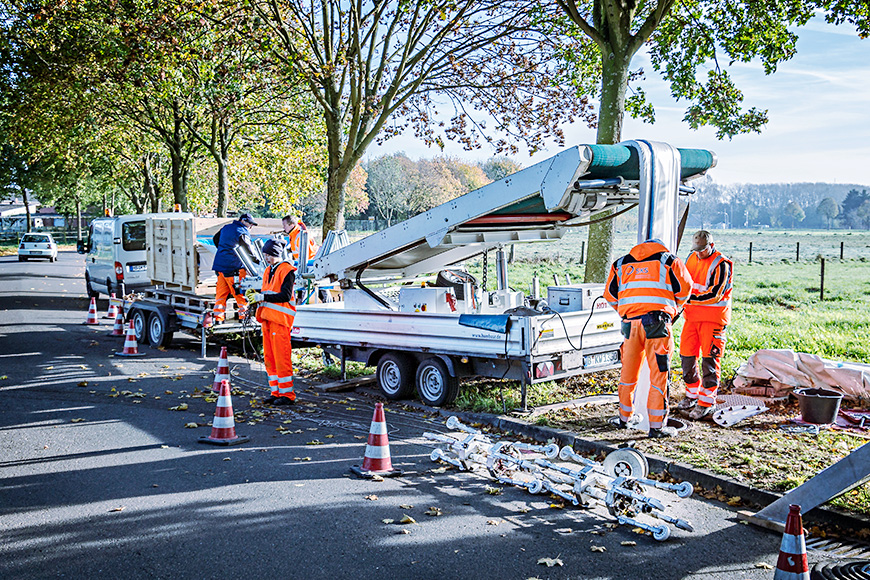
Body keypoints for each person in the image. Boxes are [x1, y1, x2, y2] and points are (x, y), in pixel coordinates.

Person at [604, 238, 693, 438]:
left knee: (628, 374)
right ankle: (657, 427)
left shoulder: (620, 264)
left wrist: (627, 312)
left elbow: (610, 296)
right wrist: (671, 310)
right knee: (659, 376)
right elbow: (686, 290)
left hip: (629, 325)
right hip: (658, 325)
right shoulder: (669, 261)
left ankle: (624, 419)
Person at [675, 230, 734, 421]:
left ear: (711, 245)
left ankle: (707, 402)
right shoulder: (691, 257)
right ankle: (692, 395)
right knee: (687, 357)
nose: (699, 253)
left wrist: (687, 298)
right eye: (696, 249)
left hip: (713, 321)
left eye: (702, 249)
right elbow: (683, 282)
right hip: (691, 318)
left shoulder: (721, 264)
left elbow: (715, 294)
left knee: (710, 361)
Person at [247, 239, 297, 405]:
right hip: (268, 319)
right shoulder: (269, 270)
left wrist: (262, 297)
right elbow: (269, 291)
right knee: (270, 358)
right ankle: (275, 392)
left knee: (281, 358)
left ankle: (287, 395)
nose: (266, 257)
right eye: (266, 254)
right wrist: (256, 296)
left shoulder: (287, 270)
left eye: (269, 254)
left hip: (280, 322)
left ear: (276, 254)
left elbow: (285, 295)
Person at [211, 212, 259, 322]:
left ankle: (218, 318)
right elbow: (249, 250)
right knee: (240, 294)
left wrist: (224, 249)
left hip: (220, 267)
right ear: (243, 221)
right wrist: (258, 261)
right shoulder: (242, 231)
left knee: (220, 295)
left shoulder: (226, 228)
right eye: (250, 224)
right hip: (234, 268)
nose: (251, 227)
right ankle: (244, 318)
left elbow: (215, 239)